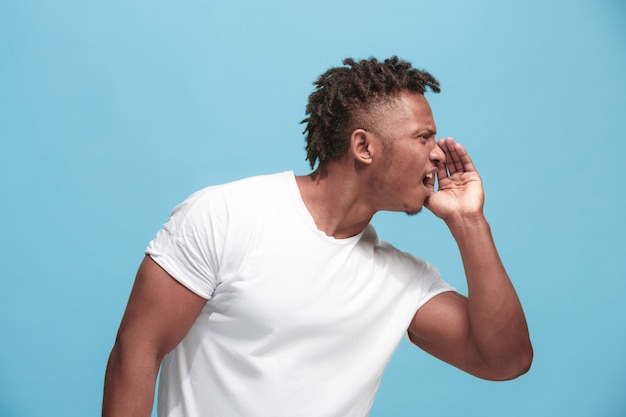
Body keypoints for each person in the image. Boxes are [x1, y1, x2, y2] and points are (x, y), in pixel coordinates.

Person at [103, 56, 532, 417]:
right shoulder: (226, 216)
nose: (438, 153)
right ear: (364, 147)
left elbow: (507, 360)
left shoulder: (405, 281)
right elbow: (137, 348)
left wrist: (469, 222)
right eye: (423, 137)